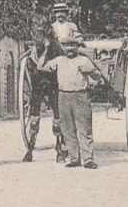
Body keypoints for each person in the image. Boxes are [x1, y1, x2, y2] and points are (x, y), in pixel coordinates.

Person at [42, 30, 104, 169]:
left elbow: (97, 75)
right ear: (62, 47)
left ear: (77, 46)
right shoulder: (59, 61)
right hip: (63, 96)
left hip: (80, 96)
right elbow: (42, 67)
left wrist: (91, 75)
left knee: (84, 127)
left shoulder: (83, 60)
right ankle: (74, 158)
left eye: (72, 45)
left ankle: (88, 159)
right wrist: (46, 50)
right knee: (67, 128)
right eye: (66, 46)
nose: (69, 49)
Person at [22, 24, 65, 163]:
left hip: (55, 80)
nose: (60, 15)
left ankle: (60, 146)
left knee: (57, 114)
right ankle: (30, 148)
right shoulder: (37, 48)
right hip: (39, 82)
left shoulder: (69, 27)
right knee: (34, 113)